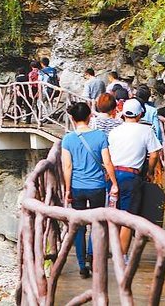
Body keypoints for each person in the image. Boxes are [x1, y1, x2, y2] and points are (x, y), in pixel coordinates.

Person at [62, 102, 119, 279]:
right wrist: (115, 184)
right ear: (89, 117)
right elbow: (107, 162)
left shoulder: (68, 139)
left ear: (72, 118)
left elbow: (67, 167)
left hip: (77, 187)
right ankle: (92, 256)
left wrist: (67, 189)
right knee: (96, 223)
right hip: (97, 187)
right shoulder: (100, 136)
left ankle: (81, 265)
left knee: (79, 226)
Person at [108, 99, 162, 255]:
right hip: (131, 176)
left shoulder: (114, 131)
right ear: (140, 115)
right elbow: (154, 153)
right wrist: (150, 172)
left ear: (123, 114)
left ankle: (114, 249)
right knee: (128, 218)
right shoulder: (146, 131)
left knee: (115, 214)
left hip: (112, 176)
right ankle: (121, 256)